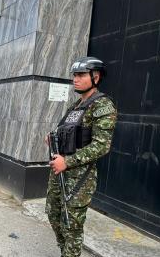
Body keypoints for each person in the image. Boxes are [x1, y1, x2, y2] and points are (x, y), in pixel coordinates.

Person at [45, 56, 117, 257]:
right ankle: (65, 251)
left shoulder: (102, 105)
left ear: (96, 77)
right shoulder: (76, 106)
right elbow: (67, 131)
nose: (75, 79)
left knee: (72, 225)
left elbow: (101, 146)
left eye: (81, 75)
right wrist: (53, 137)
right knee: (53, 215)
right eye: (74, 75)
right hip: (59, 173)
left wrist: (67, 162)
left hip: (80, 178)